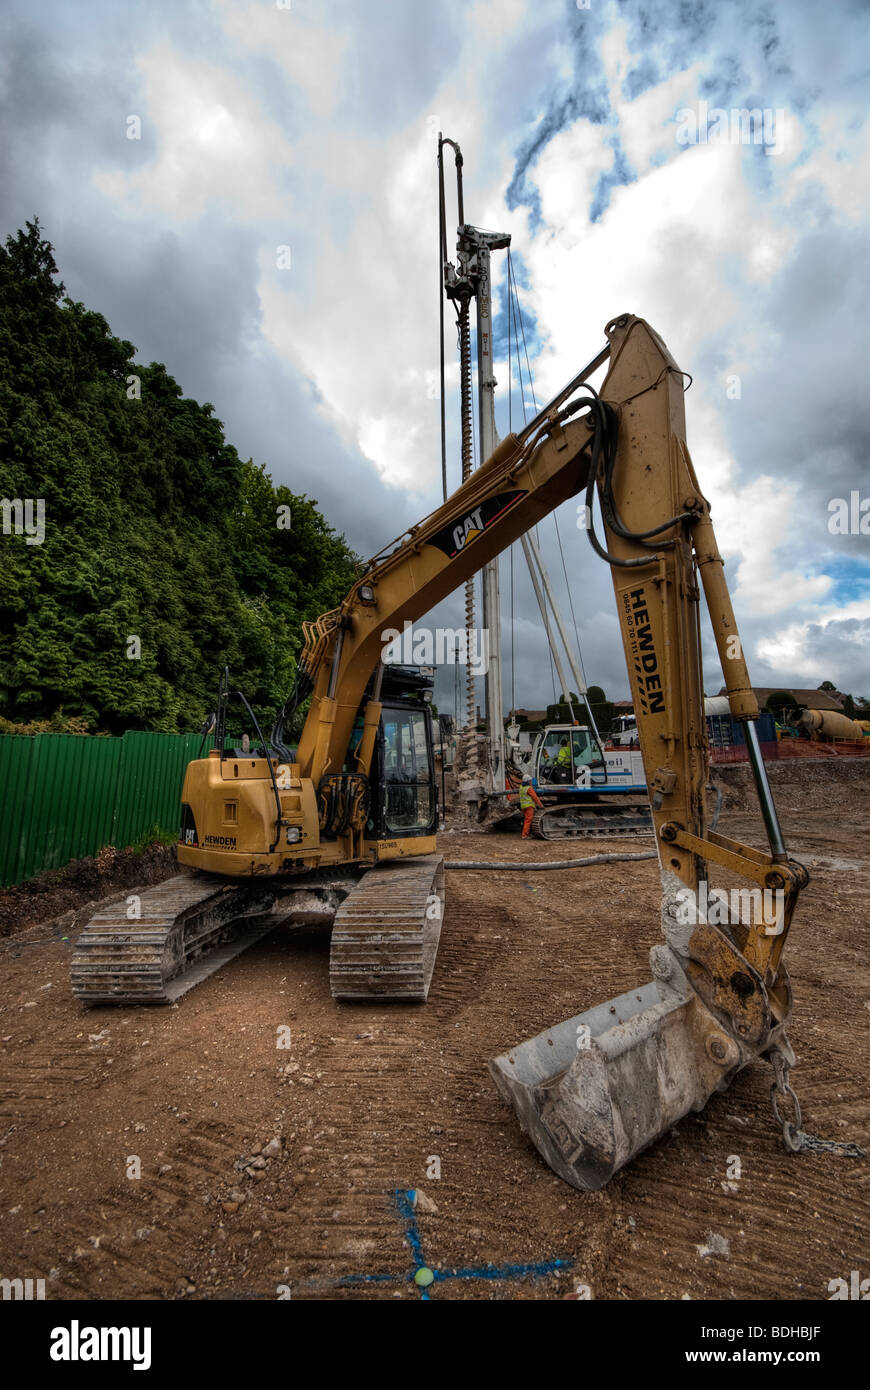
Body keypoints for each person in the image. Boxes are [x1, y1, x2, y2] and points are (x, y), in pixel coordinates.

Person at [518, 773, 544, 839]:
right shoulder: (529, 788)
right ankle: (524, 835)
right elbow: (535, 797)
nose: (531, 781)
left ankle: (528, 833)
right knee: (528, 820)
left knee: (526, 820)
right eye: (530, 780)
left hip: (523, 806)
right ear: (528, 781)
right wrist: (541, 805)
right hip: (529, 806)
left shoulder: (521, 787)